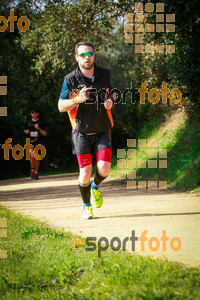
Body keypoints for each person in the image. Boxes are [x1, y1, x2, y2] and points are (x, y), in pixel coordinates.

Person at [58, 41, 115, 219]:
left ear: (94, 55)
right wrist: (77, 100)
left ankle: (95, 186)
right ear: (77, 57)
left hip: (102, 129)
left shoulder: (104, 74)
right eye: (82, 55)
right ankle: (86, 205)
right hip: (81, 132)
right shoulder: (70, 80)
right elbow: (61, 106)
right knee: (85, 172)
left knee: (104, 169)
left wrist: (111, 101)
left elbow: (112, 93)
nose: (86, 57)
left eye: (89, 54)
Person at [24, 107, 47, 180]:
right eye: (32, 112)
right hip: (30, 142)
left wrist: (39, 129)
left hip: (39, 142)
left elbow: (45, 134)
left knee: (37, 159)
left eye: (35, 112)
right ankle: (32, 170)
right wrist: (26, 132)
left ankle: (36, 173)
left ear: (38, 113)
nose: (33, 114)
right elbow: (25, 131)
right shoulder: (28, 122)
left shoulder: (41, 122)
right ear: (30, 114)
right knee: (32, 156)